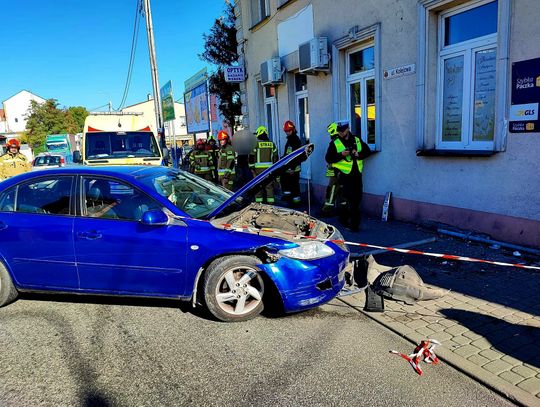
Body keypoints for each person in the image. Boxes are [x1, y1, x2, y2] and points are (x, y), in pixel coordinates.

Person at [324, 120, 371, 231]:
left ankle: (353, 223)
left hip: (357, 175)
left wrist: (358, 154)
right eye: (339, 131)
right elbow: (328, 158)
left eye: (342, 131)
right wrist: (341, 155)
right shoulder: (335, 143)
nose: (340, 133)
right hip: (344, 176)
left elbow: (367, 152)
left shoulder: (357, 140)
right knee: (346, 200)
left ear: (348, 129)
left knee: (356, 199)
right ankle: (348, 223)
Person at [249, 126, 278, 204]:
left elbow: (251, 157)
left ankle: (259, 204)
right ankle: (271, 204)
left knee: (258, 187)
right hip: (269, 170)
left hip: (257, 170)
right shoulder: (272, 144)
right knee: (269, 187)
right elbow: (276, 157)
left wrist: (251, 168)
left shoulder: (255, 144)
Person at [318, 122, 341, 217]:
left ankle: (327, 210)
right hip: (337, 171)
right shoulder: (339, 141)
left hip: (336, 171)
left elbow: (330, 157)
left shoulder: (336, 142)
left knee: (332, 190)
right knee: (335, 190)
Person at [280, 120, 302, 206]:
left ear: (292, 130)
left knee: (294, 186)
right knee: (287, 184)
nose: (287, 133)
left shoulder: (295, 140)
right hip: (288, 167)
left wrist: (293, 168)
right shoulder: (289, 140)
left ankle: (296, 203)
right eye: (286, 131)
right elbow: (287, 154)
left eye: (288, 131)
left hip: (294, 168)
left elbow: (297, 156)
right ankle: (289, 199)